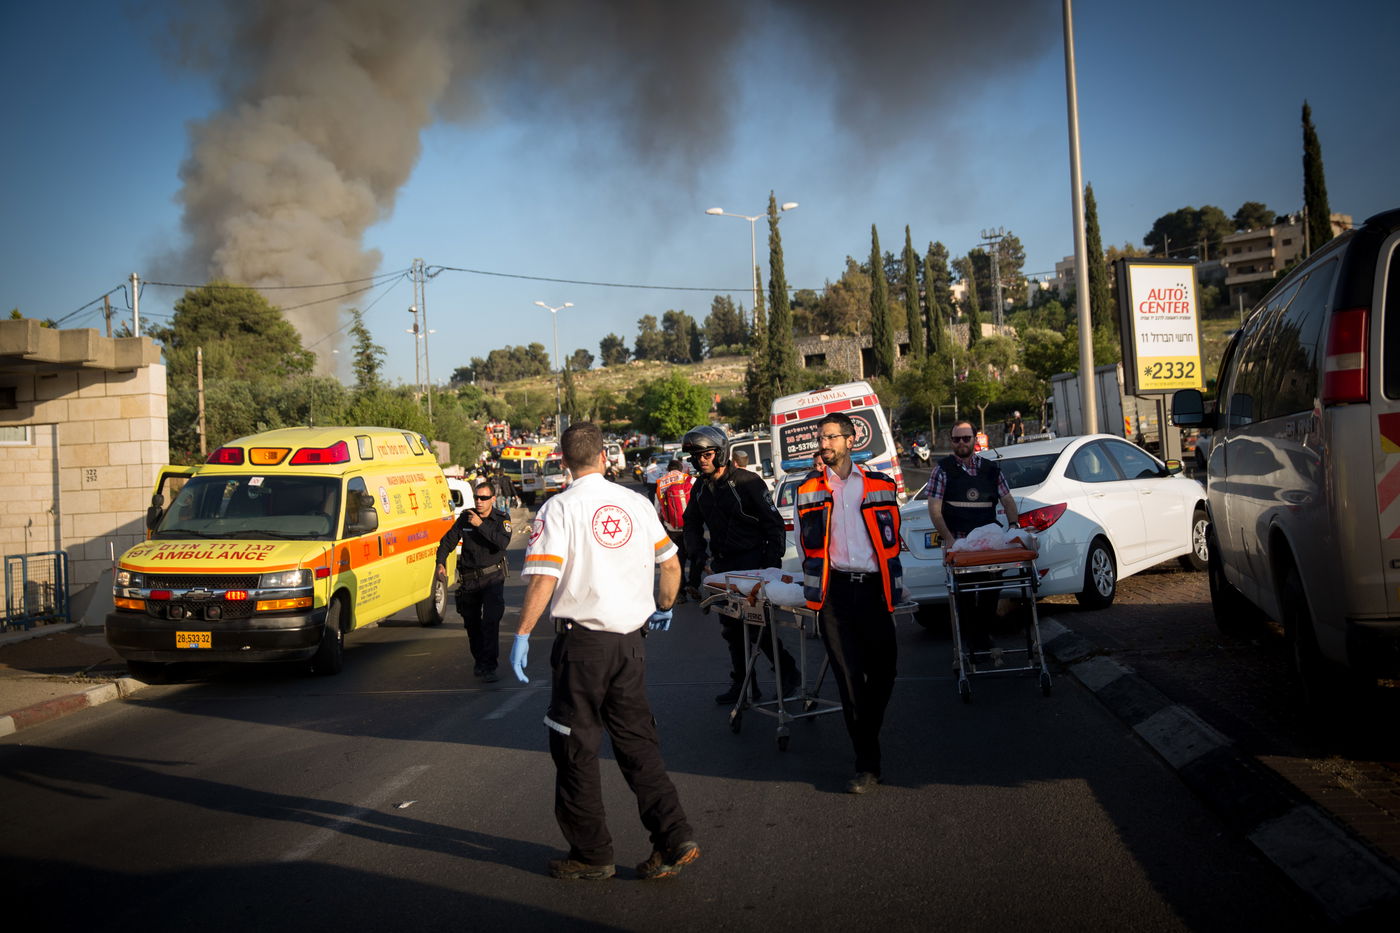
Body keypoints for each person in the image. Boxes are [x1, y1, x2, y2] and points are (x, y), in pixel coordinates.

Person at [508, 422, 699, 882]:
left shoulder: (558, 508)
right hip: (630, 644)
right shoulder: (636, 503)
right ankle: (673, 836)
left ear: (563, 460)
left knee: (574, 748)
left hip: (583, 648)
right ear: (605, 457)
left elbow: (545, 577)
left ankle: (592, 853)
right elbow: (671, 565)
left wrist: (522, 633)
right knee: (637, 744)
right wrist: (663, 606)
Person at [794, 412, 904, 795]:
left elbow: (892, 536)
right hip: (835, 594)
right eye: (820, 438)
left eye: (830, 437)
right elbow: (803, 545)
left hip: (874, 590)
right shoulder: (808, 489)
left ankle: (867, 730)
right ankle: (867, 764)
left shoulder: (881, 484)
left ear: (850, 440)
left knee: (886, 671)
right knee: (849, 678)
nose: (823, 444)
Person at [680, 424, 800, 705]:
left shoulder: (747, 482)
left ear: (720, 452)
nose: (701, 461)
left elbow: (774, 525)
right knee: (731, 629)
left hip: (754, 563)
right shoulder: (700, 488)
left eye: (707, 454)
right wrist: (699, 557)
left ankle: (788, 673)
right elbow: (691, 524)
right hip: (724, 567)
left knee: (758, 627)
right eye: (696, 456)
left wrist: (771, 567)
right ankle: (744, 685)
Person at [926, 420, 1020, 663]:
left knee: (991, 590)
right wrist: (949, 540)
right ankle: (977, 643)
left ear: (974, 440)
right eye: (956, 439)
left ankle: (980, 638)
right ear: (951, 441)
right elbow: (935, 510)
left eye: (966, 438)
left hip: (988, 545)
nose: (961, 443)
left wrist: (1013, 527)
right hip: (960, 545)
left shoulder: (991, 470)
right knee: (964, 596)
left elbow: (1008, 500)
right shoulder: (942, 470)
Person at [435, 480, 512, 682]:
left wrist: (481, 525)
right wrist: (440, 563)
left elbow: (502, 543)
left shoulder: (501, 519)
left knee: (490, 622)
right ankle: (480, 661)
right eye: (477, 497)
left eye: (484, 498)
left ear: (493, 499)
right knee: (472, 624)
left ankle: (489, 666)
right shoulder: (466, 517)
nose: (479, 501)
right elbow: (447, 541)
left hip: (492, 578)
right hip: (469, 579)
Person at [655, 459, 694, 603]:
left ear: (668, 469)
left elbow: (658, 510)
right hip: (691, 526)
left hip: (672, 529)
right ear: (681, 469)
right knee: (696, 555)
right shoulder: (689, 479)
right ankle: (694, 584)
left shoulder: (661, 483)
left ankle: (681, 593)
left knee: (679, 560)